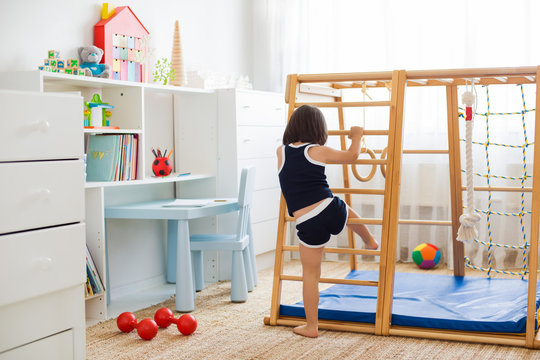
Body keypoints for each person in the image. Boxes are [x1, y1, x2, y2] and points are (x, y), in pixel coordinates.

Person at [277, 104, 379, 338]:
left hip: (305, 222)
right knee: (345, 209)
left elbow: (290, 181)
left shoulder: (280, 152)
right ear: (319, 130)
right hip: (327, 207)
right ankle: (369, 239)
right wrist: (357, 136)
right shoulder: (317, 150)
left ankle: (311, 326)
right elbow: (352, 156)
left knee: (310, 275)